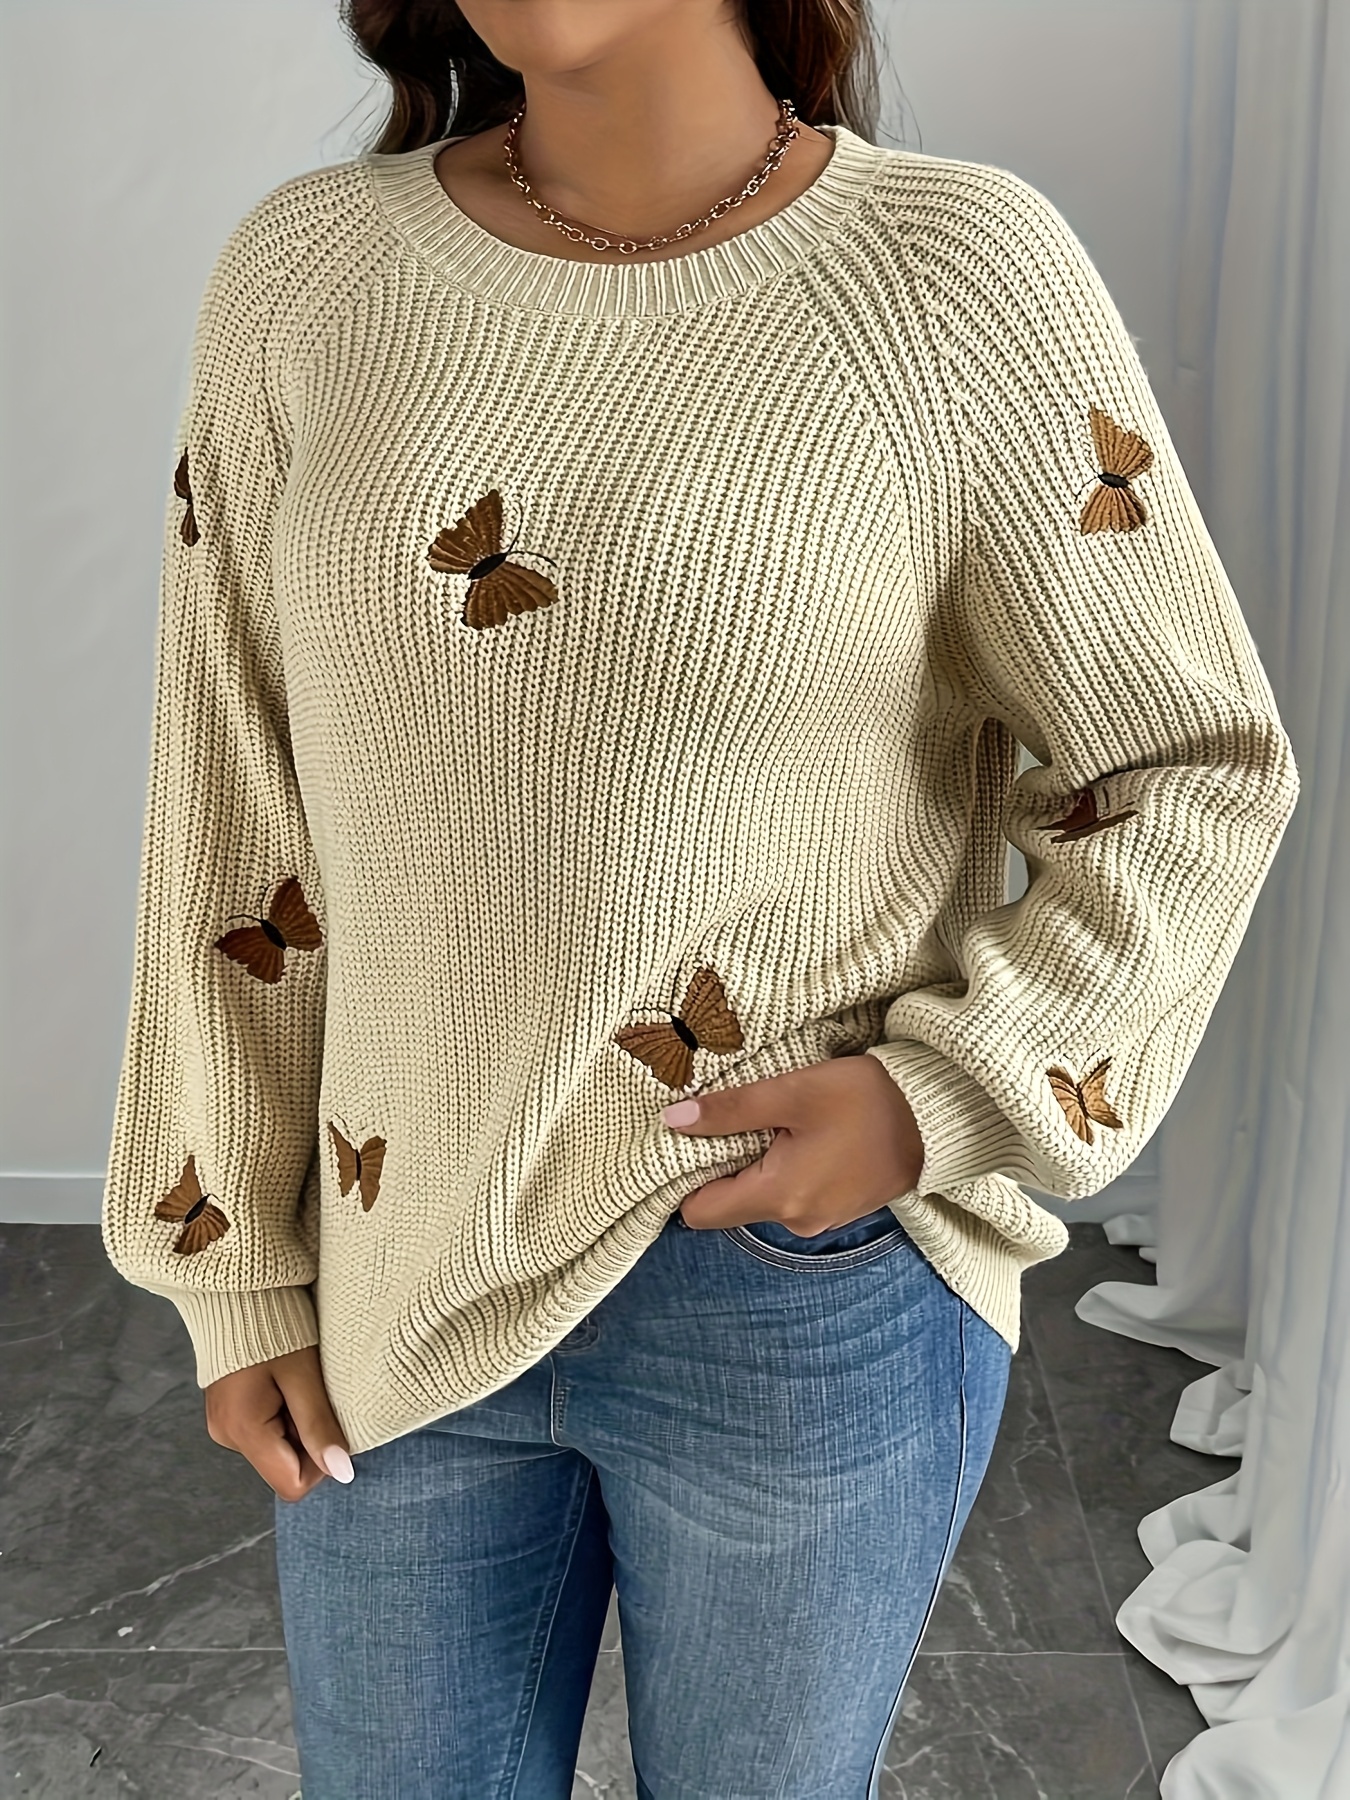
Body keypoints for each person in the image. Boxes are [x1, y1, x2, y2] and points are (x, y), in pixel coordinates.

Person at [102, 1, 1300, 1794]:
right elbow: (226, 803)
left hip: (796, 1294)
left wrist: (935, 1097)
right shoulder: (310, 276)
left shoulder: (953, 276)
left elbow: (1185, 762)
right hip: (390, 1267)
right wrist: (234, 1274)